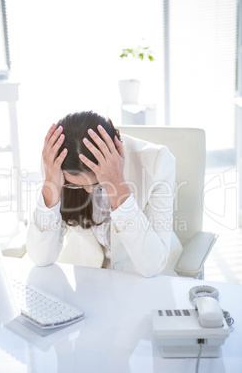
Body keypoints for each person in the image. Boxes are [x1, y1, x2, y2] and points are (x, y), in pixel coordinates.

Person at [26, 111, 182, 277]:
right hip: (90, 275)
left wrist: (117, 187)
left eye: (97, 184)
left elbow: (152, 266)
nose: (88, 190)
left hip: (148, 278)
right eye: (75, 185)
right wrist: (51, 187)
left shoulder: (158, 161)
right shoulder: (55, 166)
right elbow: (40, 258)